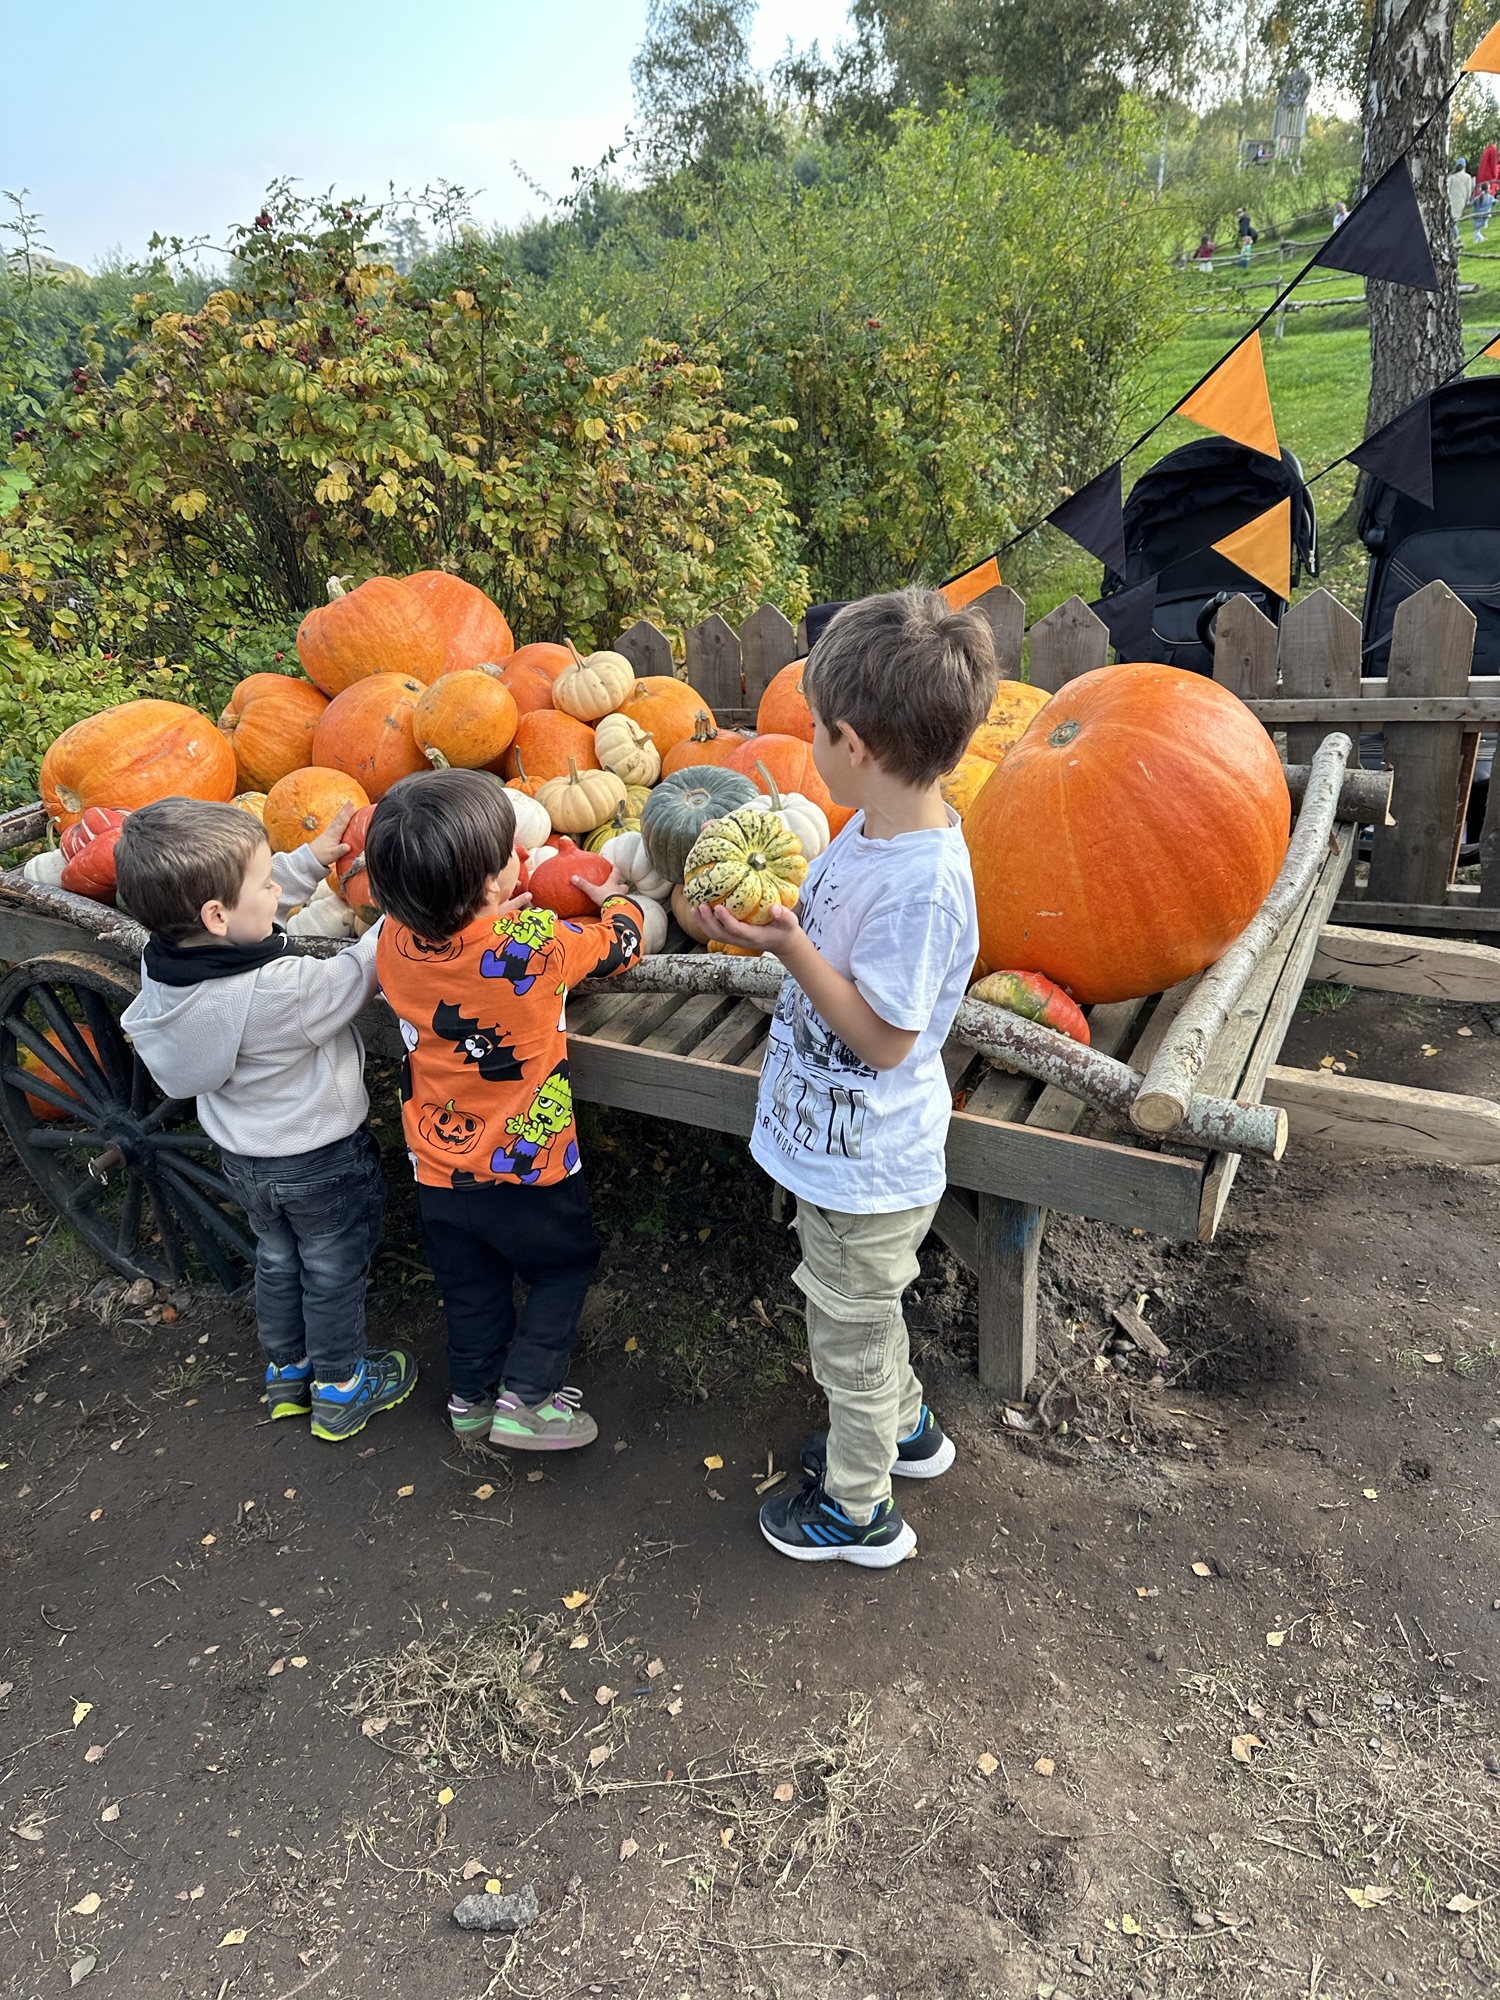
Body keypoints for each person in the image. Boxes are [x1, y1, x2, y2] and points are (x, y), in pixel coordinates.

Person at [694, 589, 998, 1569]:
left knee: (850, 1340)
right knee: (863, 1322)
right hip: (838, 1154)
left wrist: (786, 946)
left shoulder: (922, 883)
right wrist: (778, 926)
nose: (806, 745)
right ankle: (904, 1429)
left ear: (852, 741)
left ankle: (860, 1512)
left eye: (813, 729)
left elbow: (882, 1039)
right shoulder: (868, 830)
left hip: (868, 1169)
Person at [117, 799, 414, 1442]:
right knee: (333, 1267)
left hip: (247, 1161)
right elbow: (360, 970)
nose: (277, 887)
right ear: (218, 913)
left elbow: (244, 924)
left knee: (278, 1258)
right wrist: (408, 899)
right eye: (267, 880)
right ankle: (342, 1388)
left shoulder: (164, 964)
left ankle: (288, 1372)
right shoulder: (282, 992)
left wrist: (308, 863)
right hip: (321, 1160)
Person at [365, 768, 645, 1452]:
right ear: (494, 884)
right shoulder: (538, 949)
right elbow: (621, 950)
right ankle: (528, 1398)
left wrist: (494, 918)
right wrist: (618, 902)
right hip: (532, 1170)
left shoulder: (392, 943)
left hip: (438, 1172)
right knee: (561, 1268)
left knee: (472, 1289)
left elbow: (461, 953)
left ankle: (470, 1402)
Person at [1448, 157, 1475, 242]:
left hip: (1451, 201)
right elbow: (1469, 191)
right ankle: (1454, 238)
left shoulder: (1452, 177)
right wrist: (1467, 200)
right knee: (1453, 221)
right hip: (1461, 202)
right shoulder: (1468, 177)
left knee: (1451, 221)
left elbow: (1447, 189)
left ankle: (1456, 238)